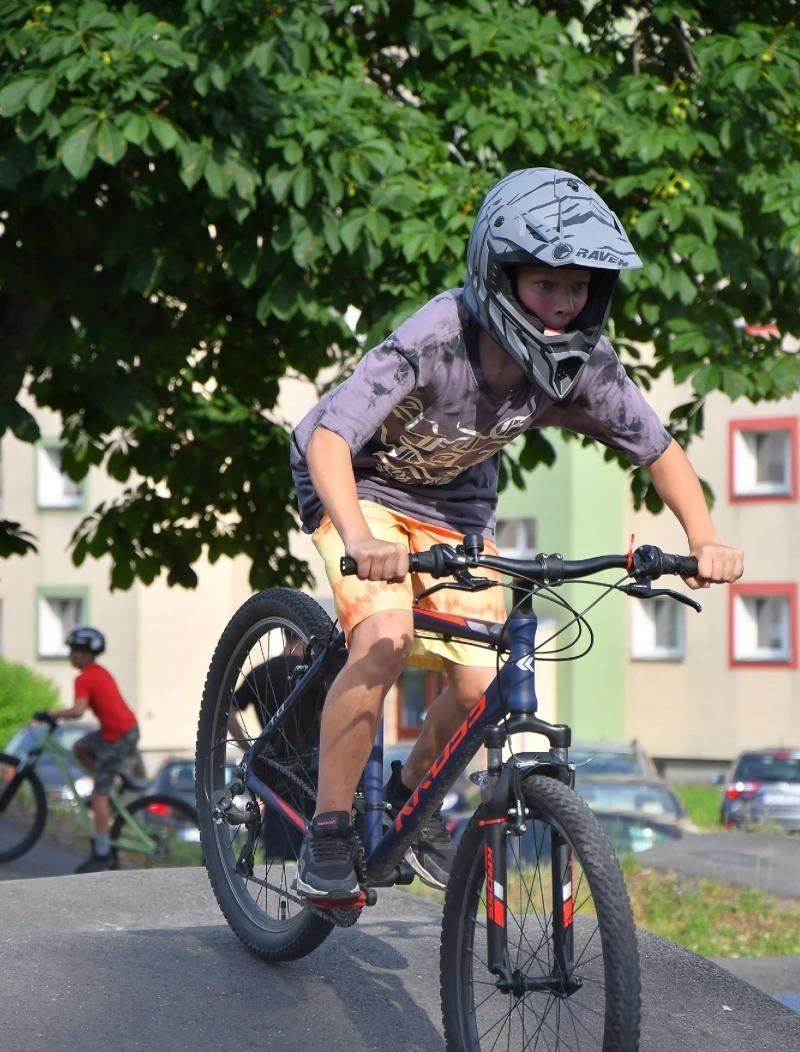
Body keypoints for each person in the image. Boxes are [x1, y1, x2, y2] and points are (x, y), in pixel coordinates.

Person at [289, 166, 744, 901]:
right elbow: (331, 441)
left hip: (456, 506)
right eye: (545, 286)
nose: (564, 306)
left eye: (579, 289)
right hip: (359, 485)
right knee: (386, 638)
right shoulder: (437, 335)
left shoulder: (581, 366)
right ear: (499, 275)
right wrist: (355, 536)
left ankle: (413, 801)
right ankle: (330, 831)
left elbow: (656, 449)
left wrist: (703, 536)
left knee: (478, 685)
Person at [36, 625, 140, 873]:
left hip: (119, 735)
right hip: (119, 731)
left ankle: (102, 854)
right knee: (80, 746)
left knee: (98, 794)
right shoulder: (99, 671)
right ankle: (108, 778)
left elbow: (78, 711)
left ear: (83, 653)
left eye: (73, 650)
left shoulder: (85, 678)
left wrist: (50, 714)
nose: (70, 655)